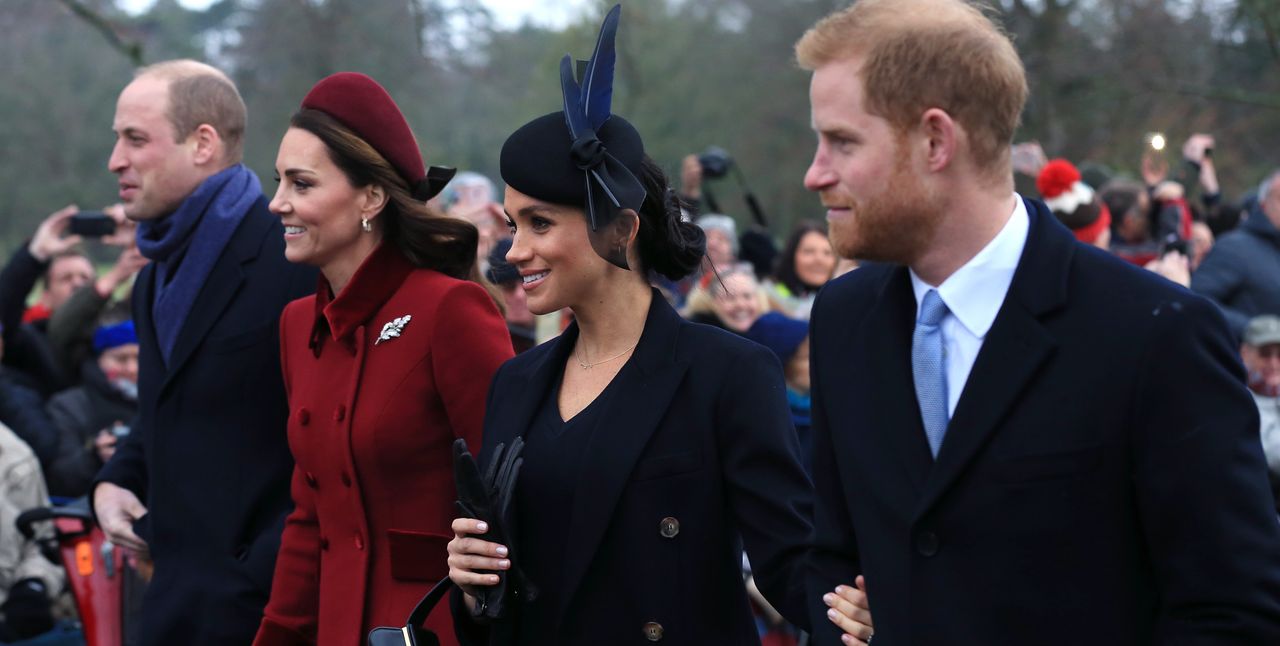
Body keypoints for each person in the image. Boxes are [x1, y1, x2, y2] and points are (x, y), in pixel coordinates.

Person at [797, 1, 1280, 643]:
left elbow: (1230, 610)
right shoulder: (843, 318)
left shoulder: (1154, 332)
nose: (815, 173)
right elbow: (829, 550)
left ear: (936, 141)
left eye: (842, 141)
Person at [445, 7, 813, 644]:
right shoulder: (516, 383)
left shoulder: (728, 374)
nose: (514, 251)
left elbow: (792, 565)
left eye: (538, 224)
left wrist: (870, 604)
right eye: (511, 226)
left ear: (620, 229)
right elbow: (512, 597)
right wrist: (475, 586)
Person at [251, 72, 512, 646]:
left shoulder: (451, 309)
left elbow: (514, 490)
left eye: (301, 183)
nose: (277, 203)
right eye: (279, 181)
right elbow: (309, 516)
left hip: (437, 629)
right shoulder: (298, 325)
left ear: (370, 197)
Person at [91, 59, 316, 645]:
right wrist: (117, 479)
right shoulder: (152, 278)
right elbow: (168, 409)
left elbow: (327, 436)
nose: (116, 160)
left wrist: (261, 571)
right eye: (118, 139)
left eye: (135, 139)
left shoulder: (289, 259)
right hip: (173, 603)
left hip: (264, 611)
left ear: (203, 144)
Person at [45, 309, 139, 499]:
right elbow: (58, 479)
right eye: (121, 359)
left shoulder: (162, 401)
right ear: (99, 359)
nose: (132, 368)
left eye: (139, 358)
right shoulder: (69, 406)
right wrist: (95, 456)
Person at [1191, 169, 1280, 339]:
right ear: (1263, 204)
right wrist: (1255, 330)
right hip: (1243, 362)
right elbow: (1198, 301)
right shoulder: (1234, 248)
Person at [1241, 314, 1280, 510]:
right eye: (1265, 353)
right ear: (1245, 353)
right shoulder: (1238, 400)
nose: (1274, 363)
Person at [764, 221, 836, 319]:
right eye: (809, 251)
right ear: (791, 256)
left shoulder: (841, 297)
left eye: (827, 253)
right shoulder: (765, 296)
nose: (819, 260)